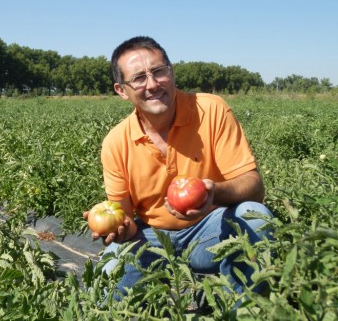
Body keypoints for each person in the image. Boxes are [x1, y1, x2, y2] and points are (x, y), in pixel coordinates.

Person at [83, 36, 273, 303]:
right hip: (150, 236)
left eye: (159, 71)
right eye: (138, 78)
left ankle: (244, 309)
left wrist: (213, 193)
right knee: (102, 296)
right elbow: (123, 217)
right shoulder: (116, 142)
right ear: (122, 90)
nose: (152, 84)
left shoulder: (211, 109)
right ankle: (150, 278)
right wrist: (119, 228)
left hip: (211, 231)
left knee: (254, 215)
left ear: (171, 72)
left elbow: (254, 187)